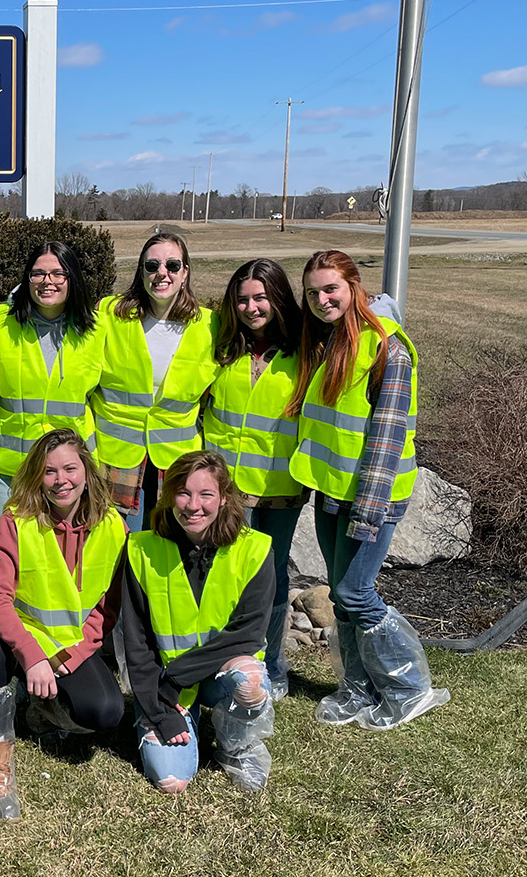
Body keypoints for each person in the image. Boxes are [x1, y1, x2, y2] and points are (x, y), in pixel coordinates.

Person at [289, 250, 449, 730]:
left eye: (330, 289)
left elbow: (386, 435)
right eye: (313, 292)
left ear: (354, 286)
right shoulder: (334, 340)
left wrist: (369, 510)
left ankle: (408, 688)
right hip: (334, 490)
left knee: (356, 594)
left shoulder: (387, 349)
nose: (321, 299)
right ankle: (357, 690)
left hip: (371, 497)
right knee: (340, 598)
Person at [0, 428, 126, 820]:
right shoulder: (15, 522)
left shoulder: (113, 526)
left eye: (70, 468)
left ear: (87, 471)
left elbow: (107, 609)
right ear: (38, 476)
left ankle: (43, 710)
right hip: (12, 639)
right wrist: (33, 656)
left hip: (68, 646)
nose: (61, 480)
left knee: (106, 712)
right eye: (49, 472)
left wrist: (70, 657)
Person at [120, 451, 277, 793]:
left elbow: (248, 635)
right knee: (171, 782)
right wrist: (159, 708)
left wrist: (174, 678)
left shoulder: (255, 550)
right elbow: (137, 642)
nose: (193, 506)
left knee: (249, 682)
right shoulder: (140, 549)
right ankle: (177, 721)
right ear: (168, 496)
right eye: (183, 493)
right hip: (163, 688)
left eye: (206, 494)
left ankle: (237, 745)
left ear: (223, 499)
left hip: (204, 676)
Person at [202, 258, 309, 701]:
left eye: (261, 297)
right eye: (243, 299)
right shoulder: (222, 347)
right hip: (226, 488)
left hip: (279, 489)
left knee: (273, 576)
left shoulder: (305, 351)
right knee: (223, 574)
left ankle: (272, 664)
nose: (251, 307)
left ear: (278, 298)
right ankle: (224, 660)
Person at [92, 232, 219, 532]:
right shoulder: (109, 315)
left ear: (185, 272)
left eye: (173, 265)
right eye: (152, 266)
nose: (162, 273)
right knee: (121, 548)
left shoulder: (210, 325)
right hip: (117, 456)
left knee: (168, 546)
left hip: (177, 460)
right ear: (141, 271)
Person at [0, 241, 105, 531]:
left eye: (58, 274)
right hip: (6, 471)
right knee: (7, 563)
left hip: (69, 477)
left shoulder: (98, 330)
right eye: (38, 273)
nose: (47, 281)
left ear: (72, 278)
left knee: (62, 563)